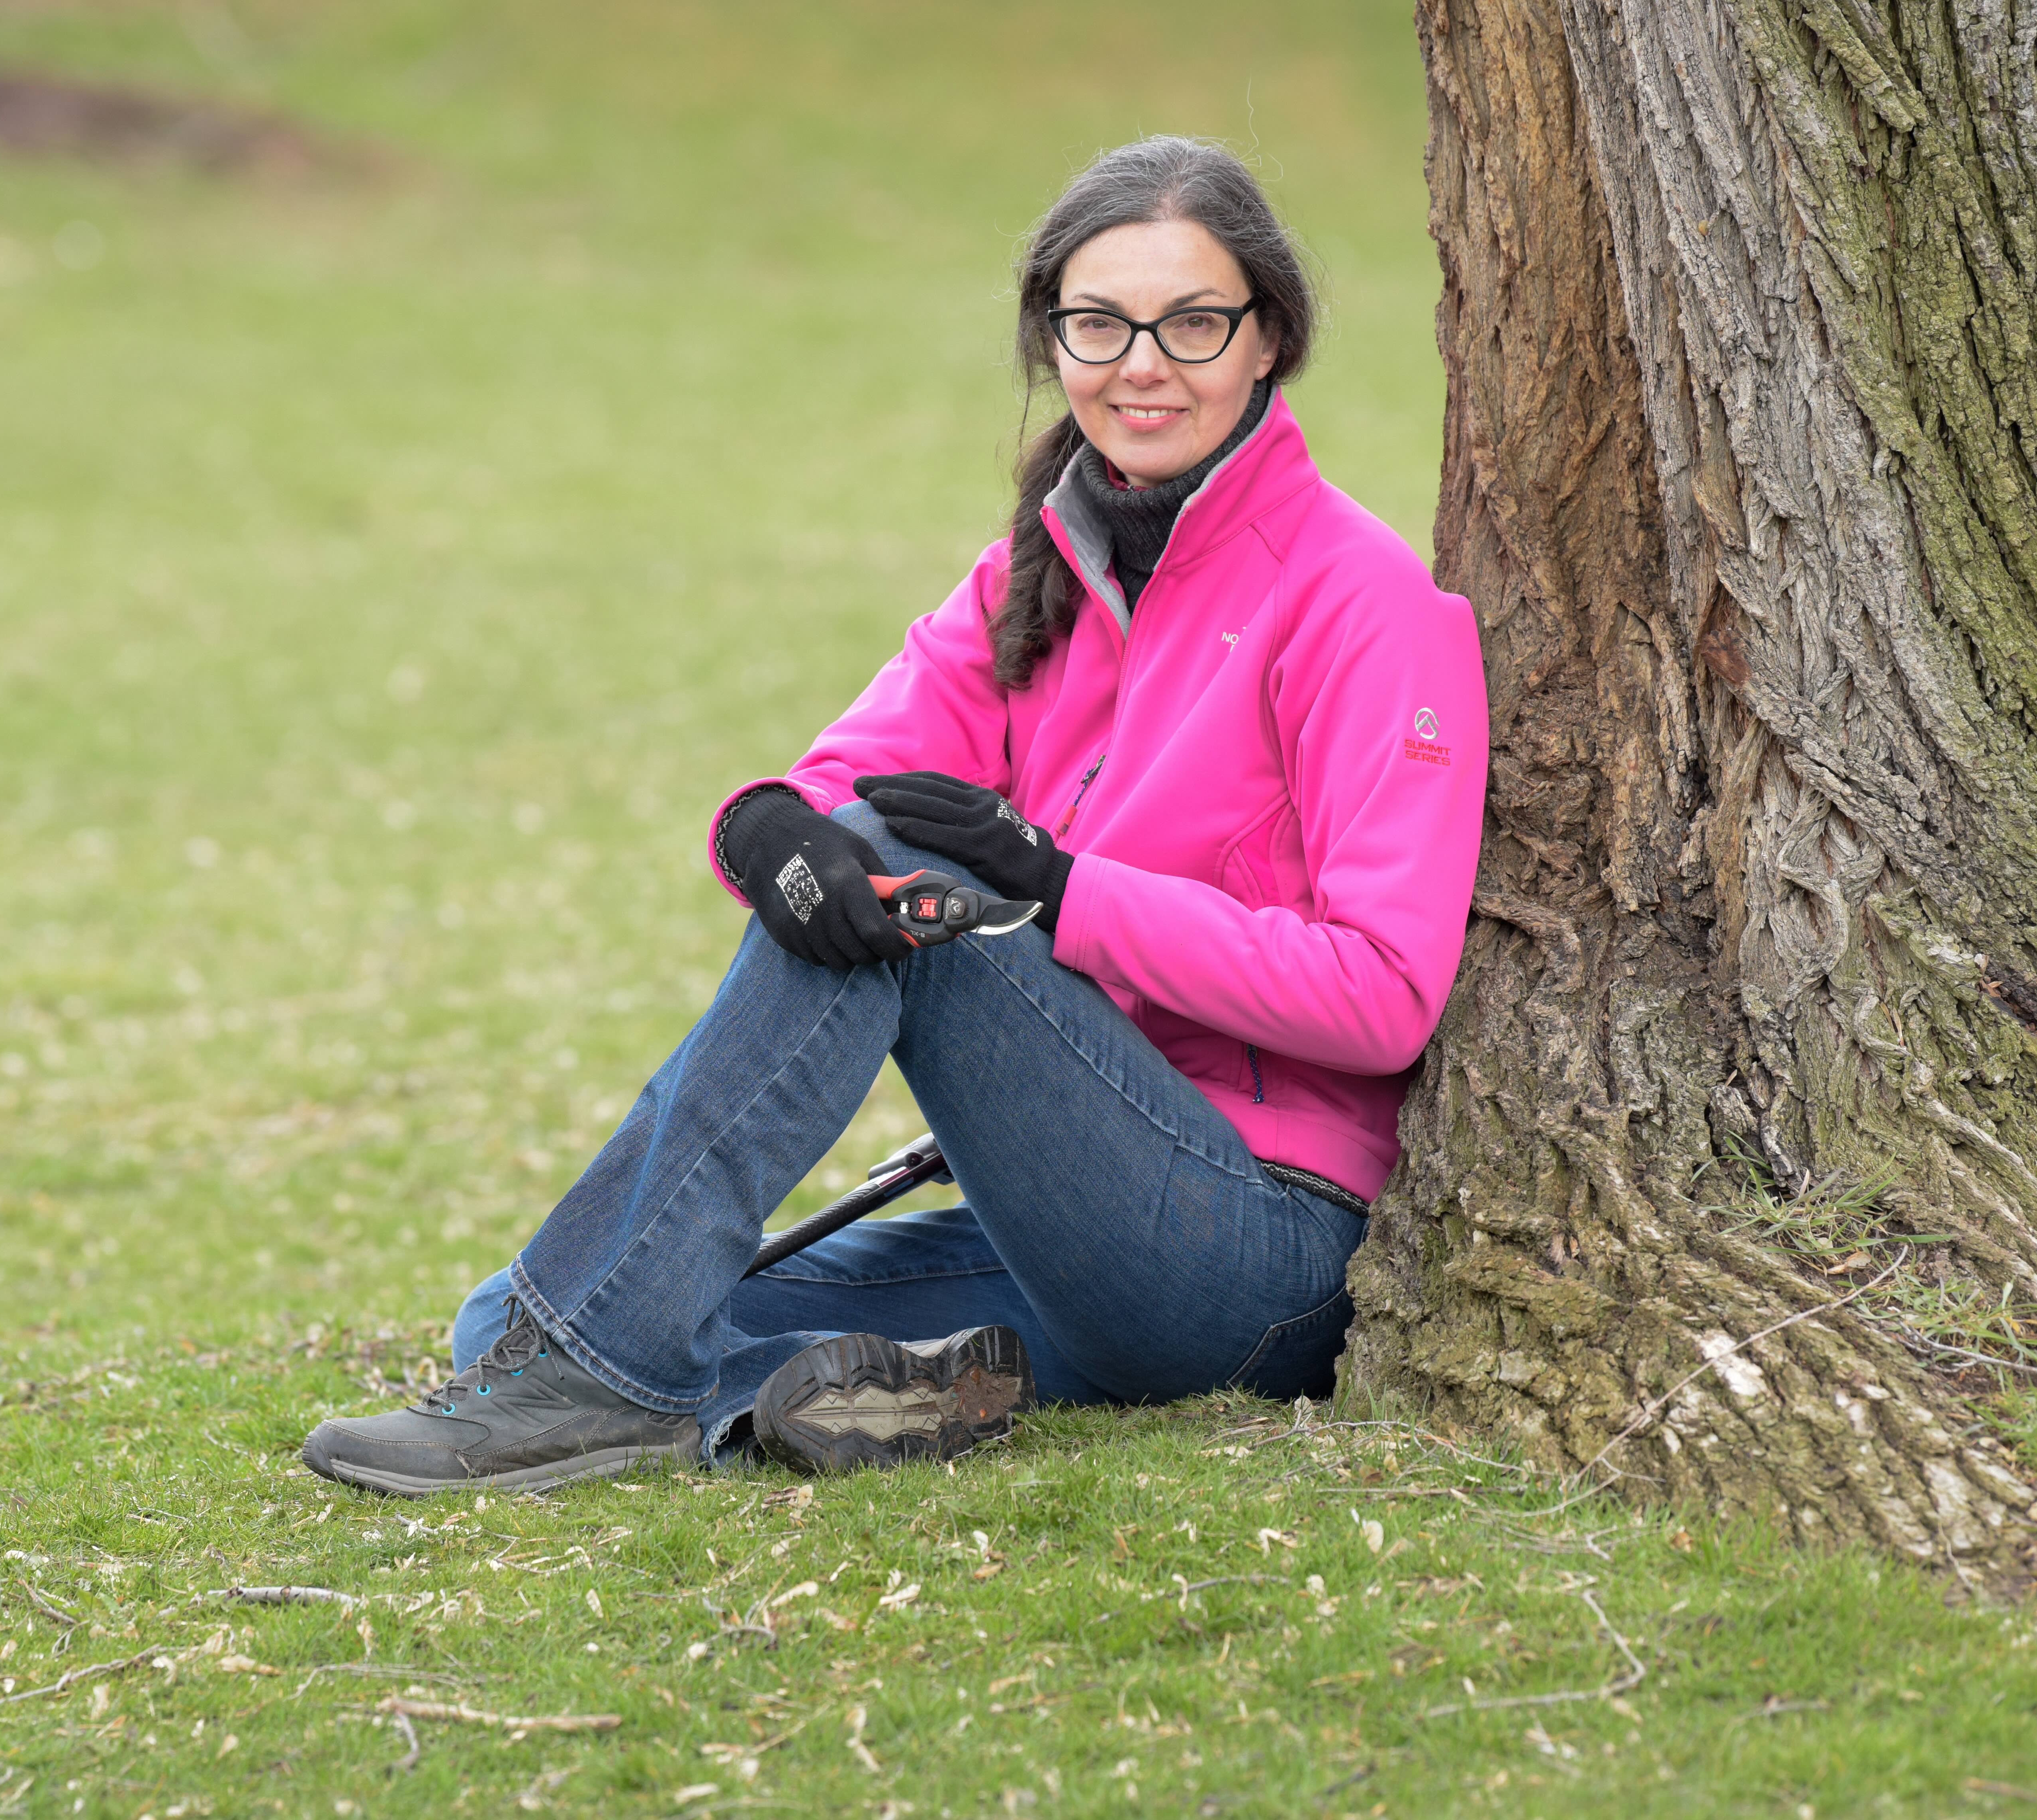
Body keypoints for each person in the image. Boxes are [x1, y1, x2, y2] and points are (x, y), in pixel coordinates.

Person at [299, 135, 1487, 1493]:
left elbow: (1388, 992)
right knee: (521, 1321)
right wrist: (766, 835)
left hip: (1262, 1254)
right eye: (1098, 324)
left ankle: (605, 1389)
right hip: (1067, 1216)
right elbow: (835, 790)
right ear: (1053, 339)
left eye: (1192, 322)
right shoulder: (1037, 570)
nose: (1141, 363)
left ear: (1268, 337)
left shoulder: (1364, 599)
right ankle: (823, 1403)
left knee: (610, 1315)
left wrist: (1065, 888)